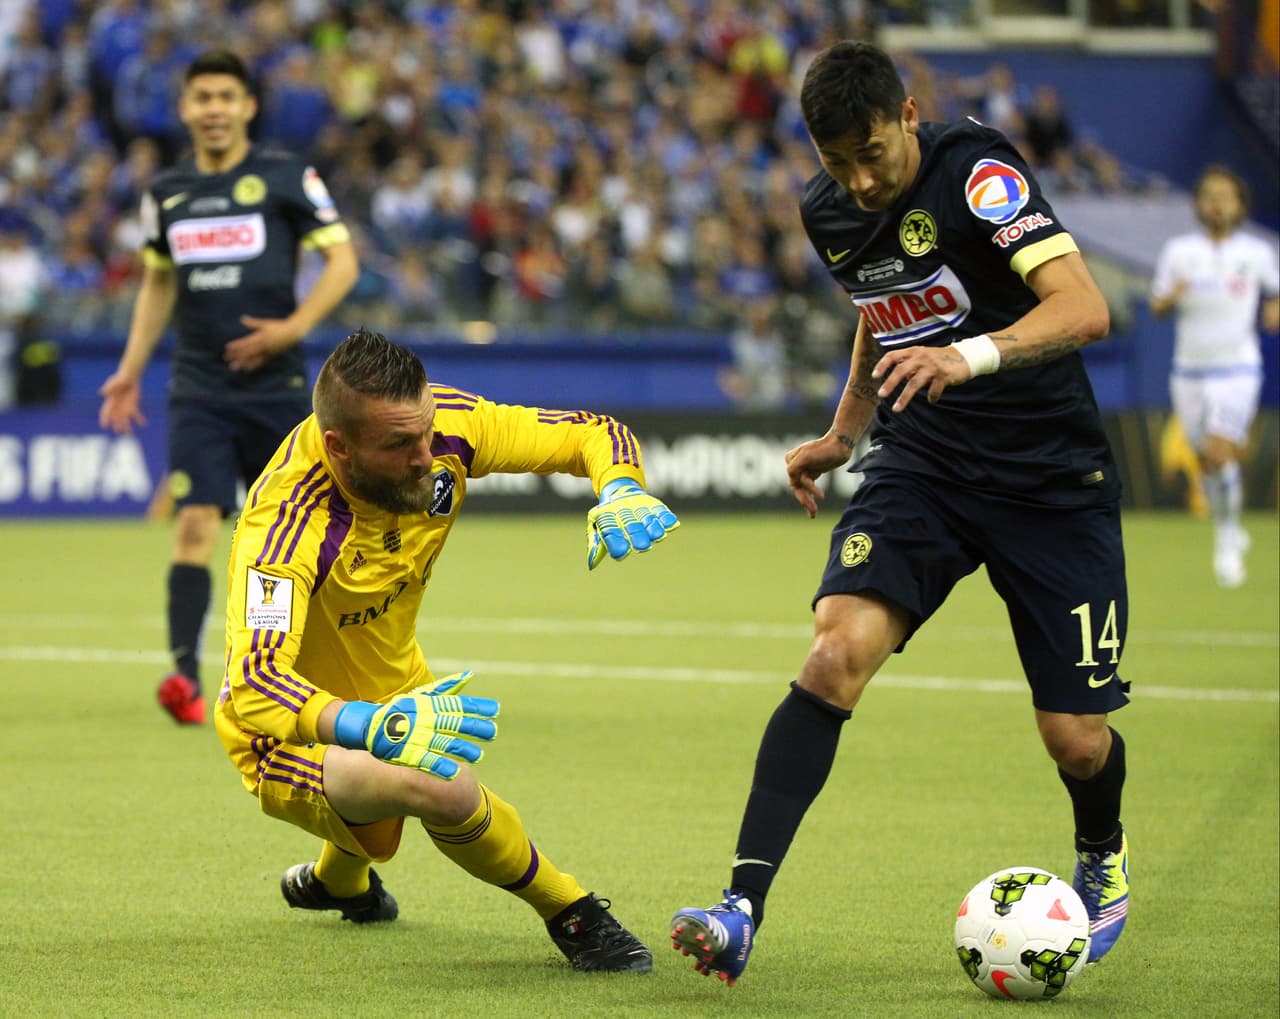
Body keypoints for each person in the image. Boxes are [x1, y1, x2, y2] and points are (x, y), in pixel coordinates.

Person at [670, 41, 1131, 985]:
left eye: (872, 153)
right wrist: (845, 430)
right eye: (836, 160)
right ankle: (739, 906)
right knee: (833, 651)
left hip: (1052, 481)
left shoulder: (983, 175)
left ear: (909, 114)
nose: (860, 179)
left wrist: (968, 356)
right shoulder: (828, 206)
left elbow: (1084, 309)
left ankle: (1104, 849)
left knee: (1076, 738)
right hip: (926, 462)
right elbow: (879, 303)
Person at [215, 326, 678, 970]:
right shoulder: (286, 526)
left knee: (383, 814)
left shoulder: (447, 428)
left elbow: (592, 430)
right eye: (401, 444)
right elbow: (258, 684)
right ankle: (572, 913)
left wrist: (621, 486)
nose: (426, 457)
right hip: (291, 735)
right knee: (442, 783)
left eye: (428, 433)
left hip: (394, 687)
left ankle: (337, 884)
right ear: (338, 448)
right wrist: (365, 723)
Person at [97, 49, 360, 725]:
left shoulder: (285, 176)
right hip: (198, 386)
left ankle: (308, 672)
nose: (213, 109)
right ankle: (184, 676)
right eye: (202, 97)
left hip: (275, 387)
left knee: (295, 536)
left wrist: (292, 326)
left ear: (246, 107)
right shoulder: (167, 193)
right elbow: (158, 282)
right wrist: (129, 368)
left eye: (225, 97)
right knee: (192, 523)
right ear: (185, 109)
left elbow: (343, 261)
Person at [1149, 165, 1280, 589]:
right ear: (1198, 204)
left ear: (1239, 205)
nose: (1216, 203)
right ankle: (1229, 523)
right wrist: (1174, 296)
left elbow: (1275, 291)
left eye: (1225, 196)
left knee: (1221, 451)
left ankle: (1226, 539)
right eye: (1208, 195)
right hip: (1189, 370)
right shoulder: (1179, 251)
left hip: (1238, 367)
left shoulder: (1256, 251)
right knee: (1207, 459)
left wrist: (1273, 309)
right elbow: (1157, 307)